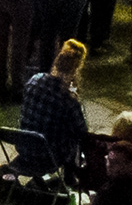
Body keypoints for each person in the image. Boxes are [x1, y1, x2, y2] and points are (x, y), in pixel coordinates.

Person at [17, 38, 91, 170]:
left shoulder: (34, 80)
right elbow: (83, 132)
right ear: (76, 70)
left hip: (24, 149)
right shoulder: (68, 99)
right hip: (48, 157)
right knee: (73, 136)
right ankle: (71, 175)